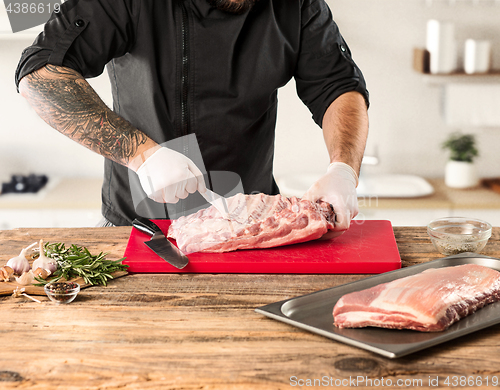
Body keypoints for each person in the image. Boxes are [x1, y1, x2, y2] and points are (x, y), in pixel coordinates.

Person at [16, 0, 369, 237]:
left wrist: (343, 168)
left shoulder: (298, 5)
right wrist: (142, 154)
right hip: (141, 227)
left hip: (254, 226)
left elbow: (338, 86)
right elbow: (40, 74)